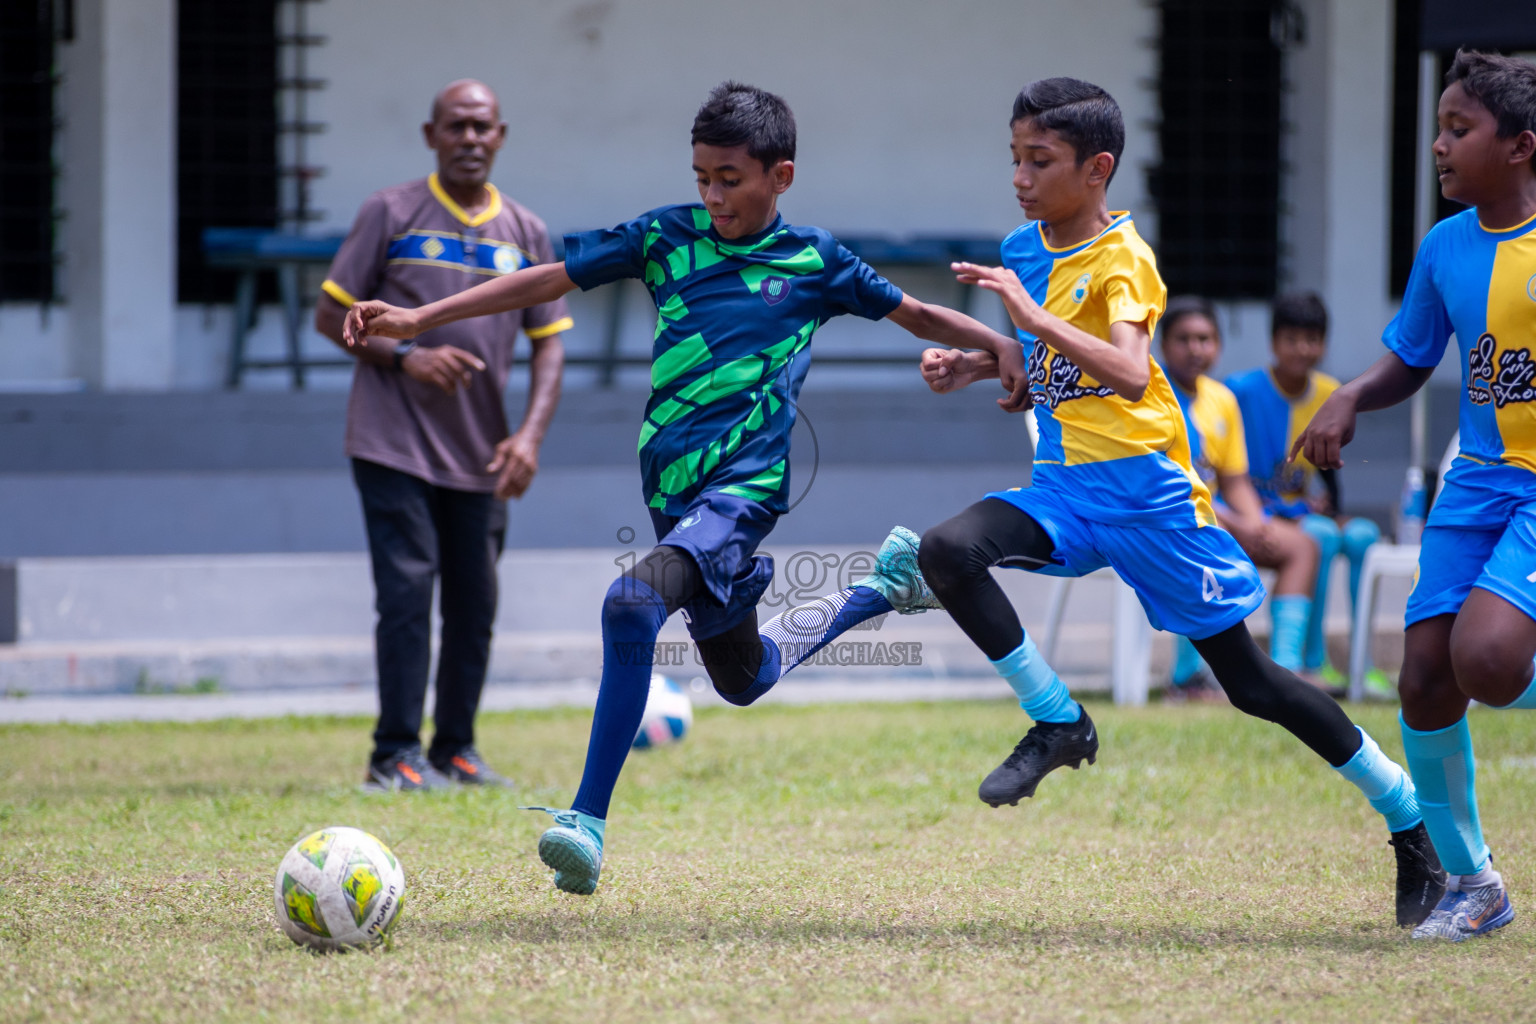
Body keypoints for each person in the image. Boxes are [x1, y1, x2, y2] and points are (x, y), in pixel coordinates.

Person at [770, 77, 1443, 928]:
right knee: (945, 549)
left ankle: (1407, 818)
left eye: (1039, 160)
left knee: (1253, 685)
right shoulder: (1023, 250)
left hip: (1151, 499)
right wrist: (979, 366)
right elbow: (1040, 370)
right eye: (1013, 157)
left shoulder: (1127, 259)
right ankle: (1059, 722)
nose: (1019, 176)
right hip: (1064, 491)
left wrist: (1023, 321)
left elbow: (1126, 371)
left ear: (1098, 170)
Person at [340, 81, 1023, 894]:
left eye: (730, 178)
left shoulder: (815, 261)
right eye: (702, 176)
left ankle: (584, 822)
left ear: (782, 176)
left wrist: (999, 346)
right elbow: (547, 279)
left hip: (743, 492)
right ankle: (883, 584)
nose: (712, 194)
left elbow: (915, 313)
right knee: (745, 679)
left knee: (631, 604)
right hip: (672, 495)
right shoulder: (666, 236)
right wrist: (419, 321)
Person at [1296, 48, 1536, 942]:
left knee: (1489, 659)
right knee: (1427, 680)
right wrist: (1354, 394)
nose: (1438, 146)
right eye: (1439, 127)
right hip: (1472, 485)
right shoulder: (1445, 246)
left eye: (1458, 130)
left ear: (1520, 146)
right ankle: (1475, 886)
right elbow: (1412, 355)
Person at [314, 80, 572, 792]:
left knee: (474, 602)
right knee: (405, 594)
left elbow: (550, 345)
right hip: (391, 442)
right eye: (455, 126)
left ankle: (455, 749)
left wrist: (529, 437)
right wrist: (409, 357)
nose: (469, 139)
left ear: (501, 135)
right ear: (431, 135)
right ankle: (392, 753)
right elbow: (328, 315)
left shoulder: (525, 231)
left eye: (482, 127)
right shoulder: (390, 212)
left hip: (482, 452)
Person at [1157, 296, 1319, 697]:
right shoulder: (1149, 395)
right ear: (1162, 345)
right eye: (1184, 339)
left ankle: (1285, 672)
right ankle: (1187, 677)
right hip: (1170, 521)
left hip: (1219, 517)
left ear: (1218, 346)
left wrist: (1256, 523)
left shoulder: (1222, 398)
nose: (1196, 349)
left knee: (1301, 547)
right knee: (1198, 541)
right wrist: (1234, 522)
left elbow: (1234, 480)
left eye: (1205, 339)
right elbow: (1167, 487)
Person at [1226, 294, 1387, 693]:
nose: (1303, 349)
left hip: (1299, 509)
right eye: (1293, 339)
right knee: (1324, 536)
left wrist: (1337, 509)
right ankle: (1313, 661)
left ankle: (1360, 664)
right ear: (1273, 342)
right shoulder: (1240, 391)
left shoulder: (1330, 392)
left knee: (1363, 535)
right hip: (1256, 511)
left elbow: (1331, 467)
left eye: (1313, 339)